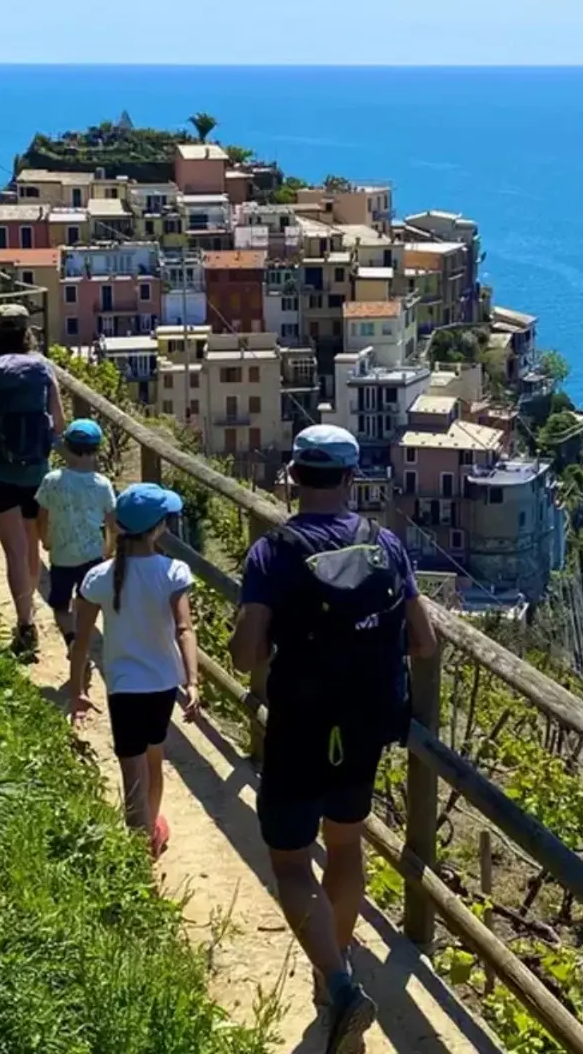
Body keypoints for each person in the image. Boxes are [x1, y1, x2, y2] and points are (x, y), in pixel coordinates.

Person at [229, 425, 436, 1054]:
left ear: (293, 478)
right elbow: (425, 641)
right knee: (346, 845)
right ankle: (334, 974)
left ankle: (340, 983)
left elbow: (244, 654)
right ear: (351, 480)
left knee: (291, 859)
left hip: (300, 723)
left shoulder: (274, 552)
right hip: (366, 721)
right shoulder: (387, 545)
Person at [68, 483, 200, 857]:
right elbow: (185, 629)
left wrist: (77, 690)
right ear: (158, 528)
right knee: (153, 759)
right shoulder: (174, 571)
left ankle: (137, 850)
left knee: (131, 773)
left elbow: (80, 643)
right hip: (161, 685)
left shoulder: (97, 576)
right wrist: (192, 681)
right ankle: (150, 832)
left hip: (122, 686)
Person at [0, 304, 63, 661]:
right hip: (37, 473)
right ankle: (29, 613)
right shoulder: (43, 369)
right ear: (27, 335)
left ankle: (24, 623)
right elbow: (60, 424)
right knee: (31, 547)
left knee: (14, 551)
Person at [35, 418, 117, 649]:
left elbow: (42, 516)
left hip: (61, 555)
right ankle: (82, 639)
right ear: (97, 450)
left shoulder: (51, 481)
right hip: (92, 555)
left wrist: (45, 539)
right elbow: (112, 524)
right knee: (86, 601)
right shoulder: (102, 484)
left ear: (67, 448)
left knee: (61, 606)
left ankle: (71, 638)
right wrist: (109, 550)